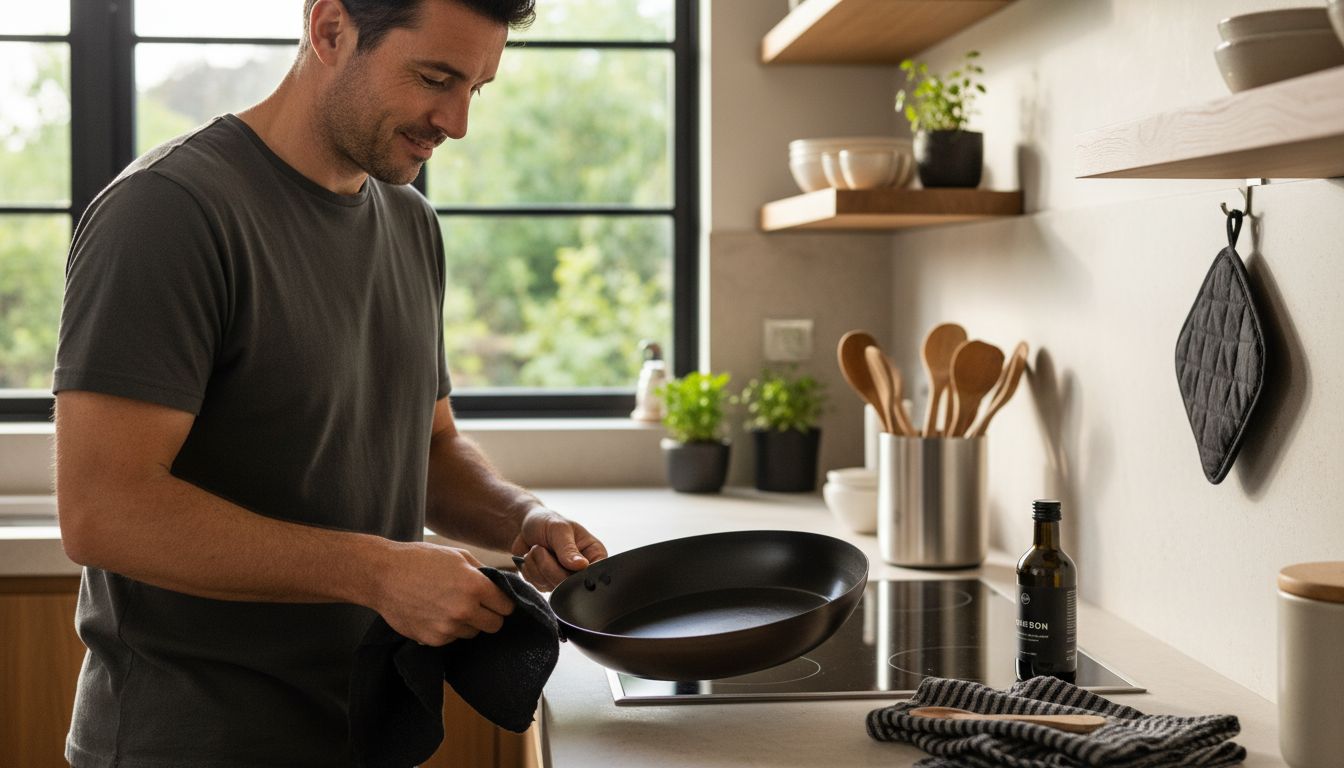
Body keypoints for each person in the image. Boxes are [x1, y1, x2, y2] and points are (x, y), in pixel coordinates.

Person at [52, 0, 606, 765]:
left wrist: (523, 518)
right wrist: (379, 572)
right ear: (330, 29)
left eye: (475, 88)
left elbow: (430, 447)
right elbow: (103, 511)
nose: (456, 121)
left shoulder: (411, 224)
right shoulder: (169, 211)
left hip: (364, 731)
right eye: (435, 77)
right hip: (191, 744)